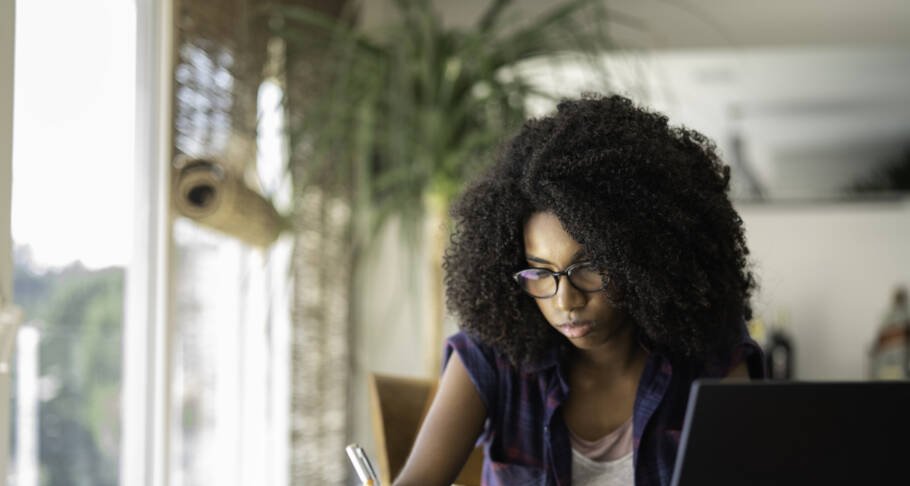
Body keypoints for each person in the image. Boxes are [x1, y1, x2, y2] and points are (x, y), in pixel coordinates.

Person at [393, 95, 765, 486]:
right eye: (540, 272)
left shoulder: (710, 358)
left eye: (588, 268)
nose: (565, 301)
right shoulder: (492, 354)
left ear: (645, 258)